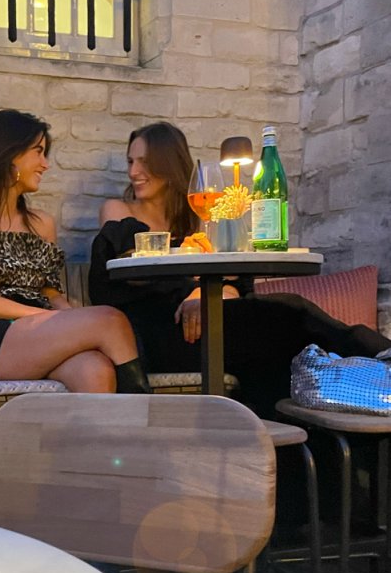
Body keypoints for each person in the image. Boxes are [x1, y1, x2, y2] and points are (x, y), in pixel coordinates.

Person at [90, 120, 390, 417]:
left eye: (144, 162)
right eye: (130, 161)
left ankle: (299, 433)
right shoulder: (120, 211)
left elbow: (234, 280)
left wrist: (205, 293)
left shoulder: (199, 216)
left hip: (210, 323)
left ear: (168, 163)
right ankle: (379, 352)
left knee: (278, 345)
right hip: (163, 333)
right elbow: (135, 271)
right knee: (290, 313)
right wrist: (198, 289)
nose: (133, 172)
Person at [0, 109, 149, 394]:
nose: (45, 164)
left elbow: (51, 294)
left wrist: (70, 316)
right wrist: (44, 317)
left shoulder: (42, 224)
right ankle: (143, 419)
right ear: (10, 154)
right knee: (110, 319)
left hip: (38, 334)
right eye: (38, 152)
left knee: (95, 369)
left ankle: (108, 425)